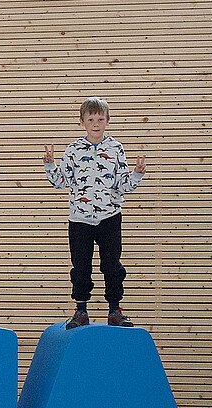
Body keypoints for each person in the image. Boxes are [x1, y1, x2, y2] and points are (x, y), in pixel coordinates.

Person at [43, 96, 146, 328]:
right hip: (80, 219)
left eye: (100, 118)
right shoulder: (73, 150)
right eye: (91, 119)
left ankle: (115, 310)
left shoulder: (116, 148)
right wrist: (50, 166)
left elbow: (122, 185)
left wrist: (137, 175)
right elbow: (62, 182)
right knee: (81, 266)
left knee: (112, 265)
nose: (96, 123)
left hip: (109, 217)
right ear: (82, 122)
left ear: (108, 121)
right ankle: (80, 310)